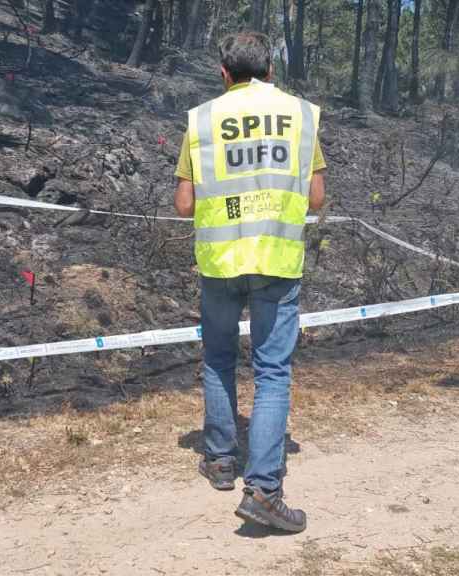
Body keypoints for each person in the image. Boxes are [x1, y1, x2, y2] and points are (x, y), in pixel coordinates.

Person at [173, 31, 326, 533]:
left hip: (220, 262)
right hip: (277, 262)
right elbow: (317, 197)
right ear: (272, 71)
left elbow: (184, 205)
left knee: (218, 358)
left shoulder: (201, 120)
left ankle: (219, 460)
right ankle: (263, 489)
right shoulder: (300, 115)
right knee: (272, 372)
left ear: (223, 74)